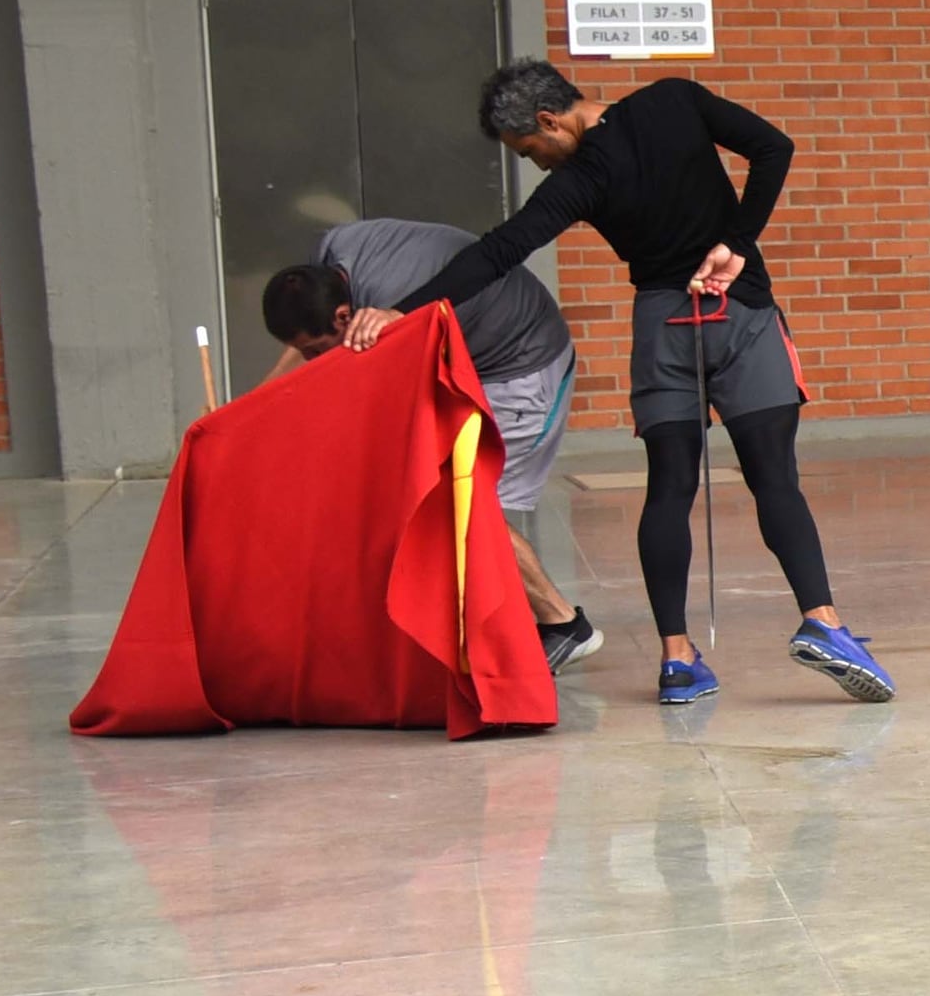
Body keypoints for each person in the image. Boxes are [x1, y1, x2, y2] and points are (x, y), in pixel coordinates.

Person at [346, 60, 895, 707]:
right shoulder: (675, 100)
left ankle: (678, 660)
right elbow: (775, 146)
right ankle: (823, 623)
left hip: (664, 326)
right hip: (741, 312)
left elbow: (497, 252)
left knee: (668, 488)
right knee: (775, 477)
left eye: (531, 151)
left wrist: (401, 312)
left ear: (551, 121)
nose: (538, 165)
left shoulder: (580, 180)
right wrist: (736, 242)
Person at [260, 221, 598, 673]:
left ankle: (562, 625)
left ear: (345, 316)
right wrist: (254, 406)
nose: (313, 360)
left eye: (318, 349)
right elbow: (311, 353)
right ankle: (468, 623)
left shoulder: (389, 312)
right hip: (473, 353)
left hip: (522, 367)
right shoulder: (329, 256)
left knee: (463, 504)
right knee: (435, 496)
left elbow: (367, 392)